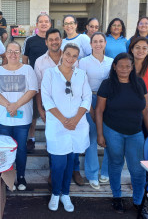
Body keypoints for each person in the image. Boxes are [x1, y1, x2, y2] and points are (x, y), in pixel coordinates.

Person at [96, 53, 148, 219]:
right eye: (121, 66)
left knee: (137, 169)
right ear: (114, 66)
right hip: (113, 130)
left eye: (128, 66)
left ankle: (138, 202)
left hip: (135, 132)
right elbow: (99, 110)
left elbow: (146, 109)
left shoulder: (139, 83)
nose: (124, 69)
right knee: (115, 164)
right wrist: (100, 134)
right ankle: (117, 197)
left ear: (132, 67)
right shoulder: (107, 84)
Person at [42, 43, 92, 212]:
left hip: (77, 125)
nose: (70, 58)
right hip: (57, 125)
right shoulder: (50, 74)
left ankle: (66, 194)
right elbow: (46, 99)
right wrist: (64, 120)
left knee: (71, 161)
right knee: (58, 163)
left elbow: (87, 98)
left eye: (74, 56)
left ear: (77, 58)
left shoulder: (82, 75)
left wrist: (76, 119)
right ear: (62, 53)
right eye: (68, 54)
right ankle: (55, 193)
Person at [0, 41, 38, 191]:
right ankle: (6, 177)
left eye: (16, 52)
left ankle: (21, 177)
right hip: (2, 118)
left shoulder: (28, 69)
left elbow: (32, 90)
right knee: (5, 148)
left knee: (21, 148)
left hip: (22, 118)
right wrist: (9, 105)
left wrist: (15, 105)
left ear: (20, 53)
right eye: (10, 51)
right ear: (5, 53)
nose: (13, 54)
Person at [78, 32, 113, 190]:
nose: (98, 44)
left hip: (109, 102)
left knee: (110, 138)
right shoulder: (83, 62)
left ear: (105, 43)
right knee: (92, 138)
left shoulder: (112, 62)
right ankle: (92, 174)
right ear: (90, 44)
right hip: (90, 100)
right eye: (95, 41)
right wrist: (90, 108)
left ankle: (106, 171)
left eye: (101, 41)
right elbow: (81, 86)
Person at [22, 13, 51, 153]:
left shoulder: (55, 40)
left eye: (46, 21)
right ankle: (31, 138)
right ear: (37, 24)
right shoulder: (30, 40)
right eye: (41, 21)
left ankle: (50, 140)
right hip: (34, 82)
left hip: (52, 83)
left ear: (50, 24)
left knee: (51, 112)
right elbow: (25, 59)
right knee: (34, 113)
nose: (44, 24)